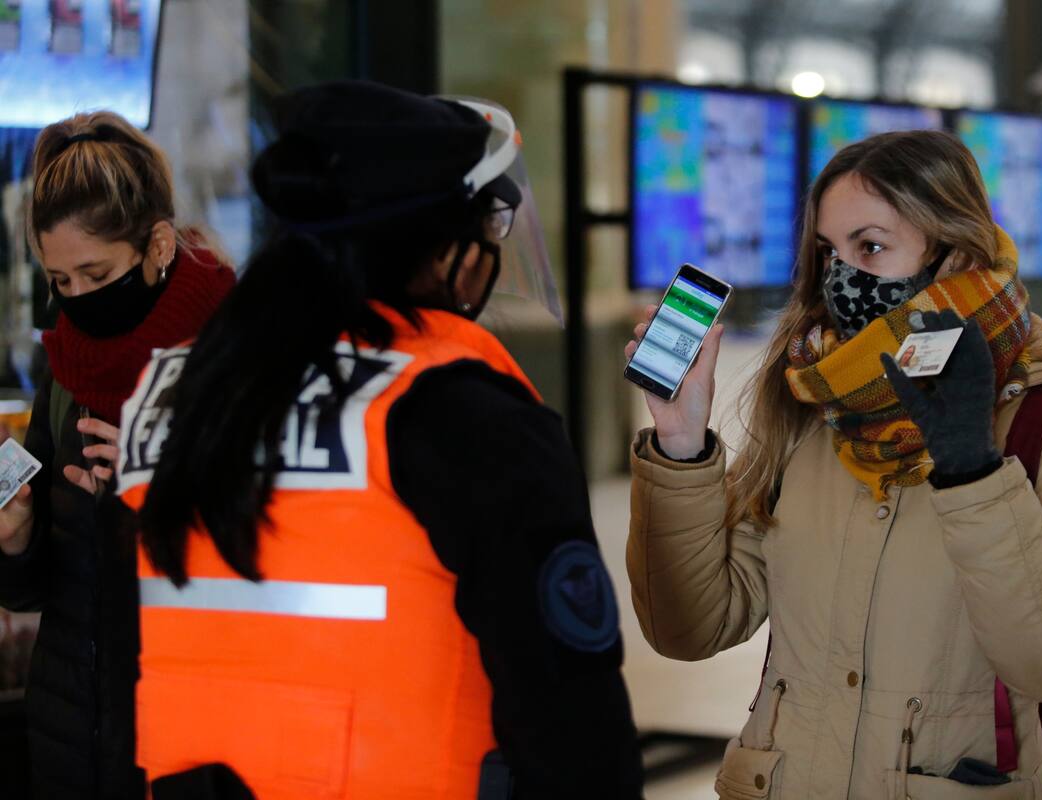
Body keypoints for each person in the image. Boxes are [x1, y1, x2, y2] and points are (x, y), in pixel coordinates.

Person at [116, 82, 643, 800]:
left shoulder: (185, 391)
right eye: (487, 233)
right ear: (439, 252)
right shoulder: (461, 413)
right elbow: (571, 719)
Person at [625, 130, 1042, 799]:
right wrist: (681, 448)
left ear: (953, 250)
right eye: (828, 251)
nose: (842, 277)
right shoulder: (809, 410)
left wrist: (971, 470)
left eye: (870, 247)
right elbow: (690, 630)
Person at [0, 111, 235, 799]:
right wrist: (16, 538)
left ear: (157, 245)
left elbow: (280, 551)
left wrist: (161, 485)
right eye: (61, 280)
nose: (77, 299)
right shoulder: (66, 371)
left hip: (194, 737)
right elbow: (38, 587)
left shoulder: (235, 358)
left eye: (96, 273)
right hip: (72, 734)